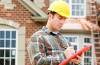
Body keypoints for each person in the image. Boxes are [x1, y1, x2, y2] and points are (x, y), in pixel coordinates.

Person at [27, 0, 83, 65]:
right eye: (60, 18)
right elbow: (38, 62)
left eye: (64, 19)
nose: (62, 22)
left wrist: (76, 62)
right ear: (50, 16)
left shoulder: (66, 42)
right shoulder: (37, 37)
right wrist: (64, 56)